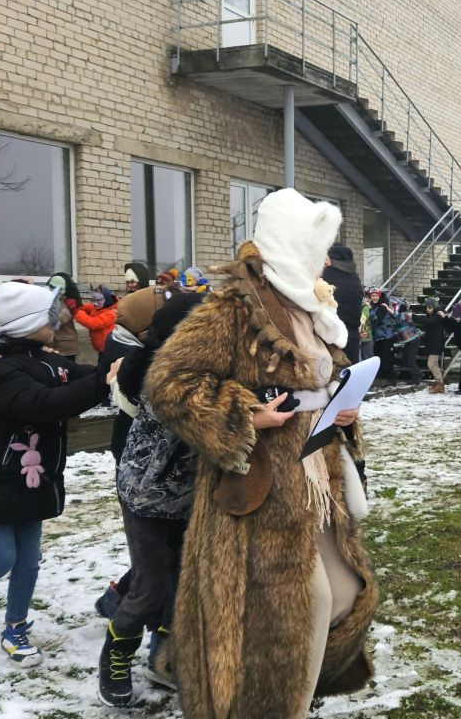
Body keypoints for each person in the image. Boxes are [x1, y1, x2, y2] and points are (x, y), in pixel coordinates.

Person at [144, 190, 376, 719]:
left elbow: (322, 379)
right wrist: (243, 416)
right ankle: (272, 705)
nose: (323, 259)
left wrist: (342, 409)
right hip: (260, 491)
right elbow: (169, 383)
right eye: (313, 245)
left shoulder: (312, 307)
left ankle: (289, 689)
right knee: (301, 605)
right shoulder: (235, 307)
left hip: (317, 477)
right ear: (287, 243)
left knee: (345, 594)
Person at [0, 282, 107, 666]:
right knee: (1, 557)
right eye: (50, 315)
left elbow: (81, 375)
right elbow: (43, 404)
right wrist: (104, 381)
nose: (58, 320)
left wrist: (122, 365)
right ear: (32, 322)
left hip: (30, 481)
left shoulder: (42, 359)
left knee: (29, 561)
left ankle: (15, 627)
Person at [97, 293, 204, 706]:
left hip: (189, 495)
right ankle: (117, 653)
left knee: (181, 583)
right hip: (146, 496)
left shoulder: (210, 368)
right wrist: (253, 418)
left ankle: (164, 658)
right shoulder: (161, 373)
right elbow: (195, 416)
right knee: (149, 586)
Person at [322, 243, 363, 364]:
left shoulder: (326, 274)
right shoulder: (354, 277)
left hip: (332, 334)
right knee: (350, 373)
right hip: (353, 333)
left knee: (332, 376)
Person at [416, 297, 449, 393]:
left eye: (429, 307)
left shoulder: (438, 315)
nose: (427, 310)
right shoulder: (432, 315)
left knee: (431, 364)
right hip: (433, 343)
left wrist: (414, 317)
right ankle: (439, 383)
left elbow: (429, 322)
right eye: (426, 307)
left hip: (436, 343)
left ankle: (440, 384)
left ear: (434, 307)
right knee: (434, 364)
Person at [47, 272, 82, 361]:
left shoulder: (69, 303)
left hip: (66, 347)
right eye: (52, 286)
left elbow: (61, 319)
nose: (54, 290)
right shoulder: (49, 299)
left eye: (59, 288)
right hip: (53, 345)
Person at [75, 285, 119, 354]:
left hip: (108, 348)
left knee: (105, 364)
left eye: (98, 300)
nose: (95, 303)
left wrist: (76, 312)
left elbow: (92, 323)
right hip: (102, 347)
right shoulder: (99, 306)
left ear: (107, 299)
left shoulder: (111, 313)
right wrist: (77, 306)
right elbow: (87, 307)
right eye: (93, 300)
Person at [368, 289, 397, 384]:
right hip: (378, 337)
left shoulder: (382, 306)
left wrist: (369, 309)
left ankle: (391, 380)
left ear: (379, 296)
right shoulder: (373, 306)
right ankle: (382, 378)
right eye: (372, 296)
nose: (374, 298)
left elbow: (375, 320)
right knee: (378, 358)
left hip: (387, 336)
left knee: (387, 359)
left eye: (376, 296)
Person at [393, 297, 423, 386]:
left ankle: (416, 378)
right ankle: (418, 373)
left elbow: (399, 316)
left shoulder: (407, 315)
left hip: (414, 339)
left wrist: (390, 310)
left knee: (411, 360)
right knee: (405, 359)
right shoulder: (401, 316)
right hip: (409, 340)